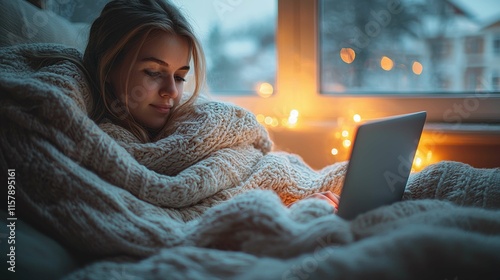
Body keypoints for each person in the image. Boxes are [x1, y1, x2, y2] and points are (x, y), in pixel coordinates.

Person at [82, 0, 340, 211]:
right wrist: (290, 214)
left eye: (180, 76)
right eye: (152, 72)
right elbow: (192, 222)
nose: (171, 91)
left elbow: (261, 165)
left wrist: (302, 196)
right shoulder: (94, 145)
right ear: (107, 68)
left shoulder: (195, 119)